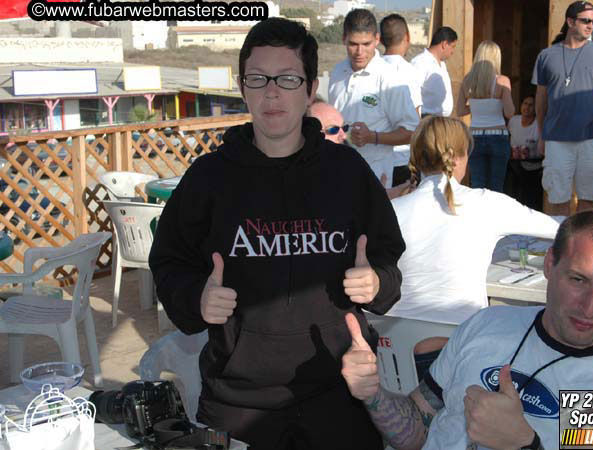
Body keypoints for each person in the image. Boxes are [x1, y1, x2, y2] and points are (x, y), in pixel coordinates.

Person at [149, 17, 406, 450]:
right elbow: (168, 260)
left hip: (338, 392)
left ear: (310, 88)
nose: (271, 92)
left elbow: (388, 261)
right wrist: (196, 297)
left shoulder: (347, 172)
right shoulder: (209, 177)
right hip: (238, 401)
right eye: (258, 78)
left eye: (287, 79)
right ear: (242, 86)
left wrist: (377, 281)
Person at [342, 210, 593, 450]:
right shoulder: (486, 325)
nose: (590, 307)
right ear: (549, 264)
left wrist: (525, 444)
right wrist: (372, 393)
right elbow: (416, 431)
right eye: (578, 280)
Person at [387, 117, 558, 375]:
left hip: (394, 360)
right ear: (457, 158)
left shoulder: (390, 210)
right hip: (462, 359)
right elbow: (559, 229)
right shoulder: (485, 203)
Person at [534, 0, 593, 216]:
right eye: (585, 21)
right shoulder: (547, 56)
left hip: (590, 138)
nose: (591, 25)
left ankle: (585, 248)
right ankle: (563, 247)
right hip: (556, 139)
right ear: (570, 22)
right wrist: (540, 134)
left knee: (588, 201)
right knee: (558, 200)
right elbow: (541, 99)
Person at [329, 8, 419, 188]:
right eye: (353, 44)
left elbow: (412, 132)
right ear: (344, 39)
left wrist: (372, 137)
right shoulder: (338, 72)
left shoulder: (390, 78)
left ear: (377, 39)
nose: (359, 52)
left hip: (375, 180)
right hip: (337, 173)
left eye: (366, 44)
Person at [456, 40, 515, 192]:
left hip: (474, 136)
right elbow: (510, 112)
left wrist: (477, 106)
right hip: (498, 135)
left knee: (477, 185)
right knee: (497, 187)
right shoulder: (502, 81)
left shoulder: (468, 80)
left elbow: (461, 110)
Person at [380, 13, 424, 186]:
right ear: (407, 37)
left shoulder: (374, 68)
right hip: (402, 156)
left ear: (381, 40)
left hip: (376, 155)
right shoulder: (409, 72)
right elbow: (415, 114)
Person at [506, 95, 544, 210]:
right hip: (515, 165)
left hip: (534, 166)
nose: (527, 107)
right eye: (525, 104)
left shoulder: (539, 124)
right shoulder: (514, 121)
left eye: (531, 105)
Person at [411, 26, 457, 118]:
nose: (453, 51)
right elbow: (412, 94)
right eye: (453, 47)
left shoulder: (442, 64)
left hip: (440, 120)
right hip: (426, 119)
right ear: (444, 44)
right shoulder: (420, 62)